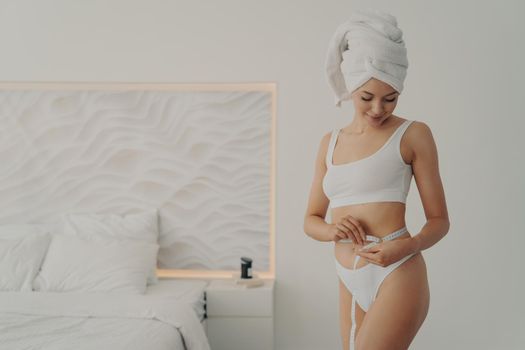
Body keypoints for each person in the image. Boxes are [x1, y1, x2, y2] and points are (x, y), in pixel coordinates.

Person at [303, 9, 450, 350]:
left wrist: (408, 245)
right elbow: (310, 220)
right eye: (366, 98)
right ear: (351, 87)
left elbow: (440, 221)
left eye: (390, 98)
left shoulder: (413, 135)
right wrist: (331, 231)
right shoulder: (330, 142)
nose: (378, 109)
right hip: (347, 276)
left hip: (397, 272)